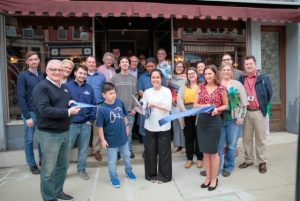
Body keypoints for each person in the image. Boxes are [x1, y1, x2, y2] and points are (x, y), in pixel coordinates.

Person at [32, 59, 81, 201]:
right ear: (47, 70)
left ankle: (58, 191)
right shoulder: (41, 87)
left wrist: (71, 102)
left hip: (65, 132)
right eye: (53, 69)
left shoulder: (63, 87)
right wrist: (68, 112)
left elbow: (67, 101)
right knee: (48, 171)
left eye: (60, 70)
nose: (57, 72)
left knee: (62, 166)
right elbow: (44, 110)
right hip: (49, 134)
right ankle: (49, 198)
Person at [194, 65, 228, 191]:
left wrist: (217, 109)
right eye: (205, 74)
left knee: (213, 152)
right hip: (202, 121)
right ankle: (208, 178)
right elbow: (195, 105)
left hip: (214, 121)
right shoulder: (200, 88)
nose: (207, 76)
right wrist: (205, 105)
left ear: (215, 74)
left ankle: (214, 179)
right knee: (205, 152)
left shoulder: (221, 88)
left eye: (210, 73)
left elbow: (226, 105)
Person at [96, 82, 137, 188]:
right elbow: (99, 126)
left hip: (123, 138)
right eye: (110, 93)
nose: (113, 95)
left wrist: (127, 127)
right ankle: (113, 177)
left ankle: (129, 171)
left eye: (114, 92)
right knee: (112, 161)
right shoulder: (101, 109)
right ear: (104, 95)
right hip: (111, 141)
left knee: (127, 157)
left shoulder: (119, 102)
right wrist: (102, 140)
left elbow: (124, 116)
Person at [238, 55, 273, 174]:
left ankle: (262, 161)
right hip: (246, 112)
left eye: (250, 64)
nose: (248, 66)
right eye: (246, 64)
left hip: (259, 112)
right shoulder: (241, 79)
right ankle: (248, 160)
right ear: (244, 66)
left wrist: (262, 104)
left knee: (260, 139)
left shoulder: (263, 77)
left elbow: (269, 93)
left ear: (255, 64)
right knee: (246, 139)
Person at [66, 65, 97, 180]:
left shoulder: (89, 88)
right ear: (75, 73)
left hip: (86, 124)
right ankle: (63, 171)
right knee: (66, 149)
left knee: (83, 149)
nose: (82, 75)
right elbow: (63, 104)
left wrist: (90, 120)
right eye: (80, 73)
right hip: (71, 125)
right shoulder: (67, 86)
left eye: (84, 74)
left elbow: (94, 105)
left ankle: (82, 169)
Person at [142, 69, 172, 183]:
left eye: (157, 77)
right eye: (153, 77)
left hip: (163, 125)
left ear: (161, 78)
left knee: (164, 152)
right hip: (150, 125)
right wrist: (141, 105)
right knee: (150, 152)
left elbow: (168, 107)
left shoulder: (166, 91)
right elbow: (144, 104)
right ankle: (151, 175)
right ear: (150, 79)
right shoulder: (147, 92)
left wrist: (154, 104)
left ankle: (164, 176)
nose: (155, 79)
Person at [218, 63, 248, 177]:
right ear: (220, 72)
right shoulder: (217, 84)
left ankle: (228, 167)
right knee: (218, 146)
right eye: (224, 70)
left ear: (232, 72)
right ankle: (216, 168)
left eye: (228, 70)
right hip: (219, 119)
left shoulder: (237, 84)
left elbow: (244, 102)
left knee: (231, 145)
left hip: (234, 120)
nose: (226, 72)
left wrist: (241, 116)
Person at [17, 50, 44, 175]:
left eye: (36, 59)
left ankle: (42, 161)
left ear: (39, 60)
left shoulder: (41, 75)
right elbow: (21, 97)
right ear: (27, 62)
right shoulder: (23, 76)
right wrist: (27, 116)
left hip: (42, 113)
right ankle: (32, 164)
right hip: (30, 112)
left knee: (41, 139)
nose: (34, 61)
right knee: (29, 139)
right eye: (31, 59)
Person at [177, 67, 203, 169]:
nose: (191, 75)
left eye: (193, 73)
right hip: (186, 113)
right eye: (189, 74)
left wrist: (197, 111)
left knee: (199, 137)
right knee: (188, 137)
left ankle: (200, 158)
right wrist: (185, 111)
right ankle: (189, 159)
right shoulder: (184, 86)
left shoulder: (202, 85)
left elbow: (204, 98)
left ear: (197, 74)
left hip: (199, 113)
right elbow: (179, 99)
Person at [111, 57, 137, 158]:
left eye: (127, 62)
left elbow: (136, 95)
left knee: (128, 132)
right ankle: (117, 151)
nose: (125, 63)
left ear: (129, 64)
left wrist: (135, 108)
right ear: (119, 65)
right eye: (123, 62)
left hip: (130, 110)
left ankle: (129, 150)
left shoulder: (134, 79)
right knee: (117, 131)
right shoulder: (114, 78)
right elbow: (110, 94)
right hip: (117, 110)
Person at [86, 56, 106, 161]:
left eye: (93, 62)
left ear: (95, 64)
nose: (91, 64)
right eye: (89, 62)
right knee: (85, 129)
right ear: (86, 64)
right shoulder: (82, 75)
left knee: (97, 129)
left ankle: (96, 150)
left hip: (98, 105)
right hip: (85, 106)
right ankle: (84, 149)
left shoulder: (101, 76)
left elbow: (104, 90)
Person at [169, 62, 187, 153]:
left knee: (182, 124)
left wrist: (179, 99)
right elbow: (169, 90)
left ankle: (184, 145)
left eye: (181, 66)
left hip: (181, 103)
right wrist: (171, 98)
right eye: (177, 66)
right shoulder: (171, 78)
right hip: (173, 104)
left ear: (184, 68)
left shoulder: (186, 78)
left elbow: (186, 91)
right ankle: (177, 144)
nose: (179, 68)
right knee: (175, 124)